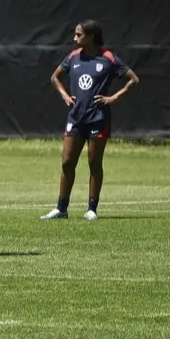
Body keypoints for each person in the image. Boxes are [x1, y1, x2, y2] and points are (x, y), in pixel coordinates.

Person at [41, 20, 140, 221]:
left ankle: (92, 209)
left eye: (78, 35)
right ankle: (61, 209)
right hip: (76, 117)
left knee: (94, 162)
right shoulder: (73, 57)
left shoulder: (108, 58)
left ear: (91, 37)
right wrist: (65, 96)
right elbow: (54, 78)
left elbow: (133, 79)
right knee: (68, 161)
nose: (74, 38)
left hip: (98, 118)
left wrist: (113, 97)